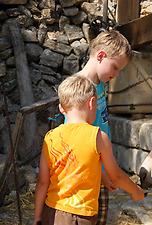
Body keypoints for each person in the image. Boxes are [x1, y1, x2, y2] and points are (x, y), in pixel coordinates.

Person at [33, 75, 144, 225]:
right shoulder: (98, 137)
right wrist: (135, 191)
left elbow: (42, 182)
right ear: (92, 103)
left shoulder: (50, 137)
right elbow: (116, 176)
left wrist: (37, 217)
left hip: (51, 212)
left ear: (61, 107)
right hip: (80, 217)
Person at [74, 30, 132, 225]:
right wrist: (102, 172)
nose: (115, 75)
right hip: (87, 172)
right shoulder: (79, 89)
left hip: (100, 166)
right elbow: (78, 140)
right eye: (115, 67)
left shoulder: (99, 84)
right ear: (100, 56)